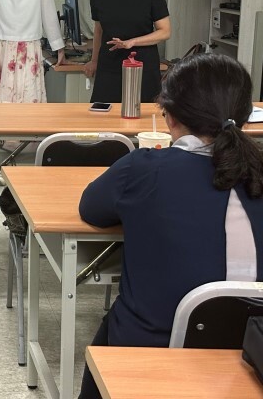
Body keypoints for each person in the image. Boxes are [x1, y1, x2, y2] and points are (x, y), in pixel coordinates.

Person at [77, 52, 263, 399]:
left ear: (171, 115)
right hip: (252, 354)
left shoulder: (144, 169)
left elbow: (91, 209)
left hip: (150, 352)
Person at [84, 0, 171, 103]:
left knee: (143, 120)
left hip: (143, 68)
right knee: (104, 119)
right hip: (109, 68)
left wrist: (132, 42)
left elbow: (165, 31)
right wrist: (94, 61)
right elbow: (99, 30)